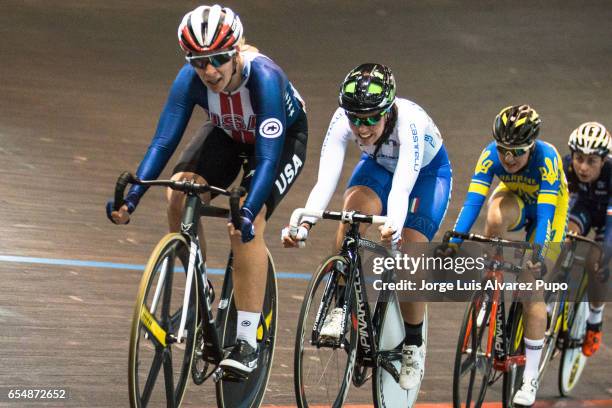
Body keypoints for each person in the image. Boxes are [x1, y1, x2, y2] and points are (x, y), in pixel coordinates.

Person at [106, 4, 308, 376]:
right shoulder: (190, 79)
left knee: (245, 222)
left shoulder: (264, 77)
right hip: (228, 133)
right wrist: (132, 197)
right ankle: (197, 285)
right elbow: (163, 142)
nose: (210, 70)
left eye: (218, 59)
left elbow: (266, 159)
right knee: (178, 192)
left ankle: (247, 341)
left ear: (235, 52)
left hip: (278, 143)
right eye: (200, 61)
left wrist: (247, 211)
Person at [282, 63, 452, 391]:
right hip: (378, 166)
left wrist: (395, 228)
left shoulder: (409, 124)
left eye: (372, 118)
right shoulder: (342, 120)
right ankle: (340, 305)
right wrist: (305, 224)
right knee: (351, 217)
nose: (362, 128)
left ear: (388, 111)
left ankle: (413, 345)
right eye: (355, 119)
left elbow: (402, 189)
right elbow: (325, 181)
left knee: (409, 255)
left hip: (426, 176)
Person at [450, 105, 569, 406]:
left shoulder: (548, 159)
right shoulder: (490, 155)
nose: (509, 158)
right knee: (493, 214)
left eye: (517, 151)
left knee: (531, 287)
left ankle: (529, 377)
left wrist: (538, 256)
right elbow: (472, 201)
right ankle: (490, 282)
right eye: (504, 150)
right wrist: (452, 241)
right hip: (516, 199)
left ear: (531, 146)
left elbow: (544, 218)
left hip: (548, 212)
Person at [564, 121, 611, 357]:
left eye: (591, 161)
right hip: (583, 207)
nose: (583, 167)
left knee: (596, 261)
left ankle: (595, 320)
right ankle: (551, 303)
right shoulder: (565, 167)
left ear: (604, 161)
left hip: (608, 215)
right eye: (579, 158)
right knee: (563, 242)